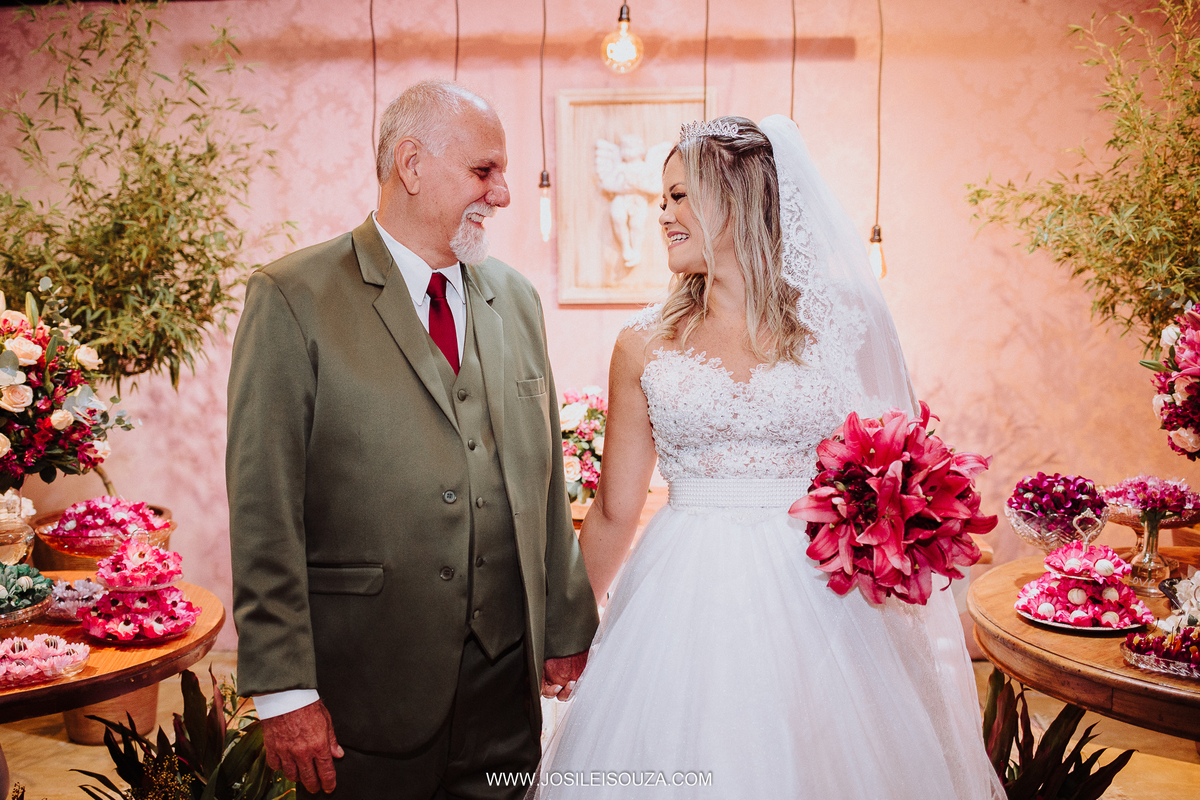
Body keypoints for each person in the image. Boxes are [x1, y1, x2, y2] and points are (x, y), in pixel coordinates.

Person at [531, 116, 1005, 798]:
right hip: (680, 599)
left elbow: (887, 462)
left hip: (824, 598)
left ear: (739, 200)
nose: (661, 213)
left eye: (679, 195)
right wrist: (571, 628)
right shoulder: (641, 344)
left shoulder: (838, 325)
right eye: (662, 199)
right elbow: (612, 509)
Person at [227, 80, 599, 799]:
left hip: (506, 694)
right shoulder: (292, 297)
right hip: (362, 693)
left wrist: (564, 623)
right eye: (484, 171)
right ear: (412, 164)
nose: (504, 194)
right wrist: (282, 690)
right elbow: (263, 507)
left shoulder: (515, 300)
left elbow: (543, 484)